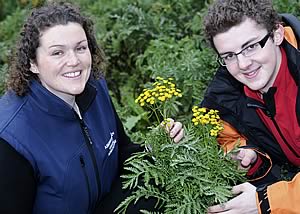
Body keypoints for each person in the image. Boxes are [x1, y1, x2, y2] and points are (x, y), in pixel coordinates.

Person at [0, 2, 184, 214]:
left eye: (80, 48)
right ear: (33, 63)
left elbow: (122, 152)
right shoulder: (11, 139)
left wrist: (154, 146)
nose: (74, 61)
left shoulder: (95, 87)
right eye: (58, 53)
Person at [200, 0, 300, 213]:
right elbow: (228, 140)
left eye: (251, 46)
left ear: (277, 35)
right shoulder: (224, 97)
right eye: (229, 56)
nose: (243, 64)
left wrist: (266, 201)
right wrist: (251, 157)